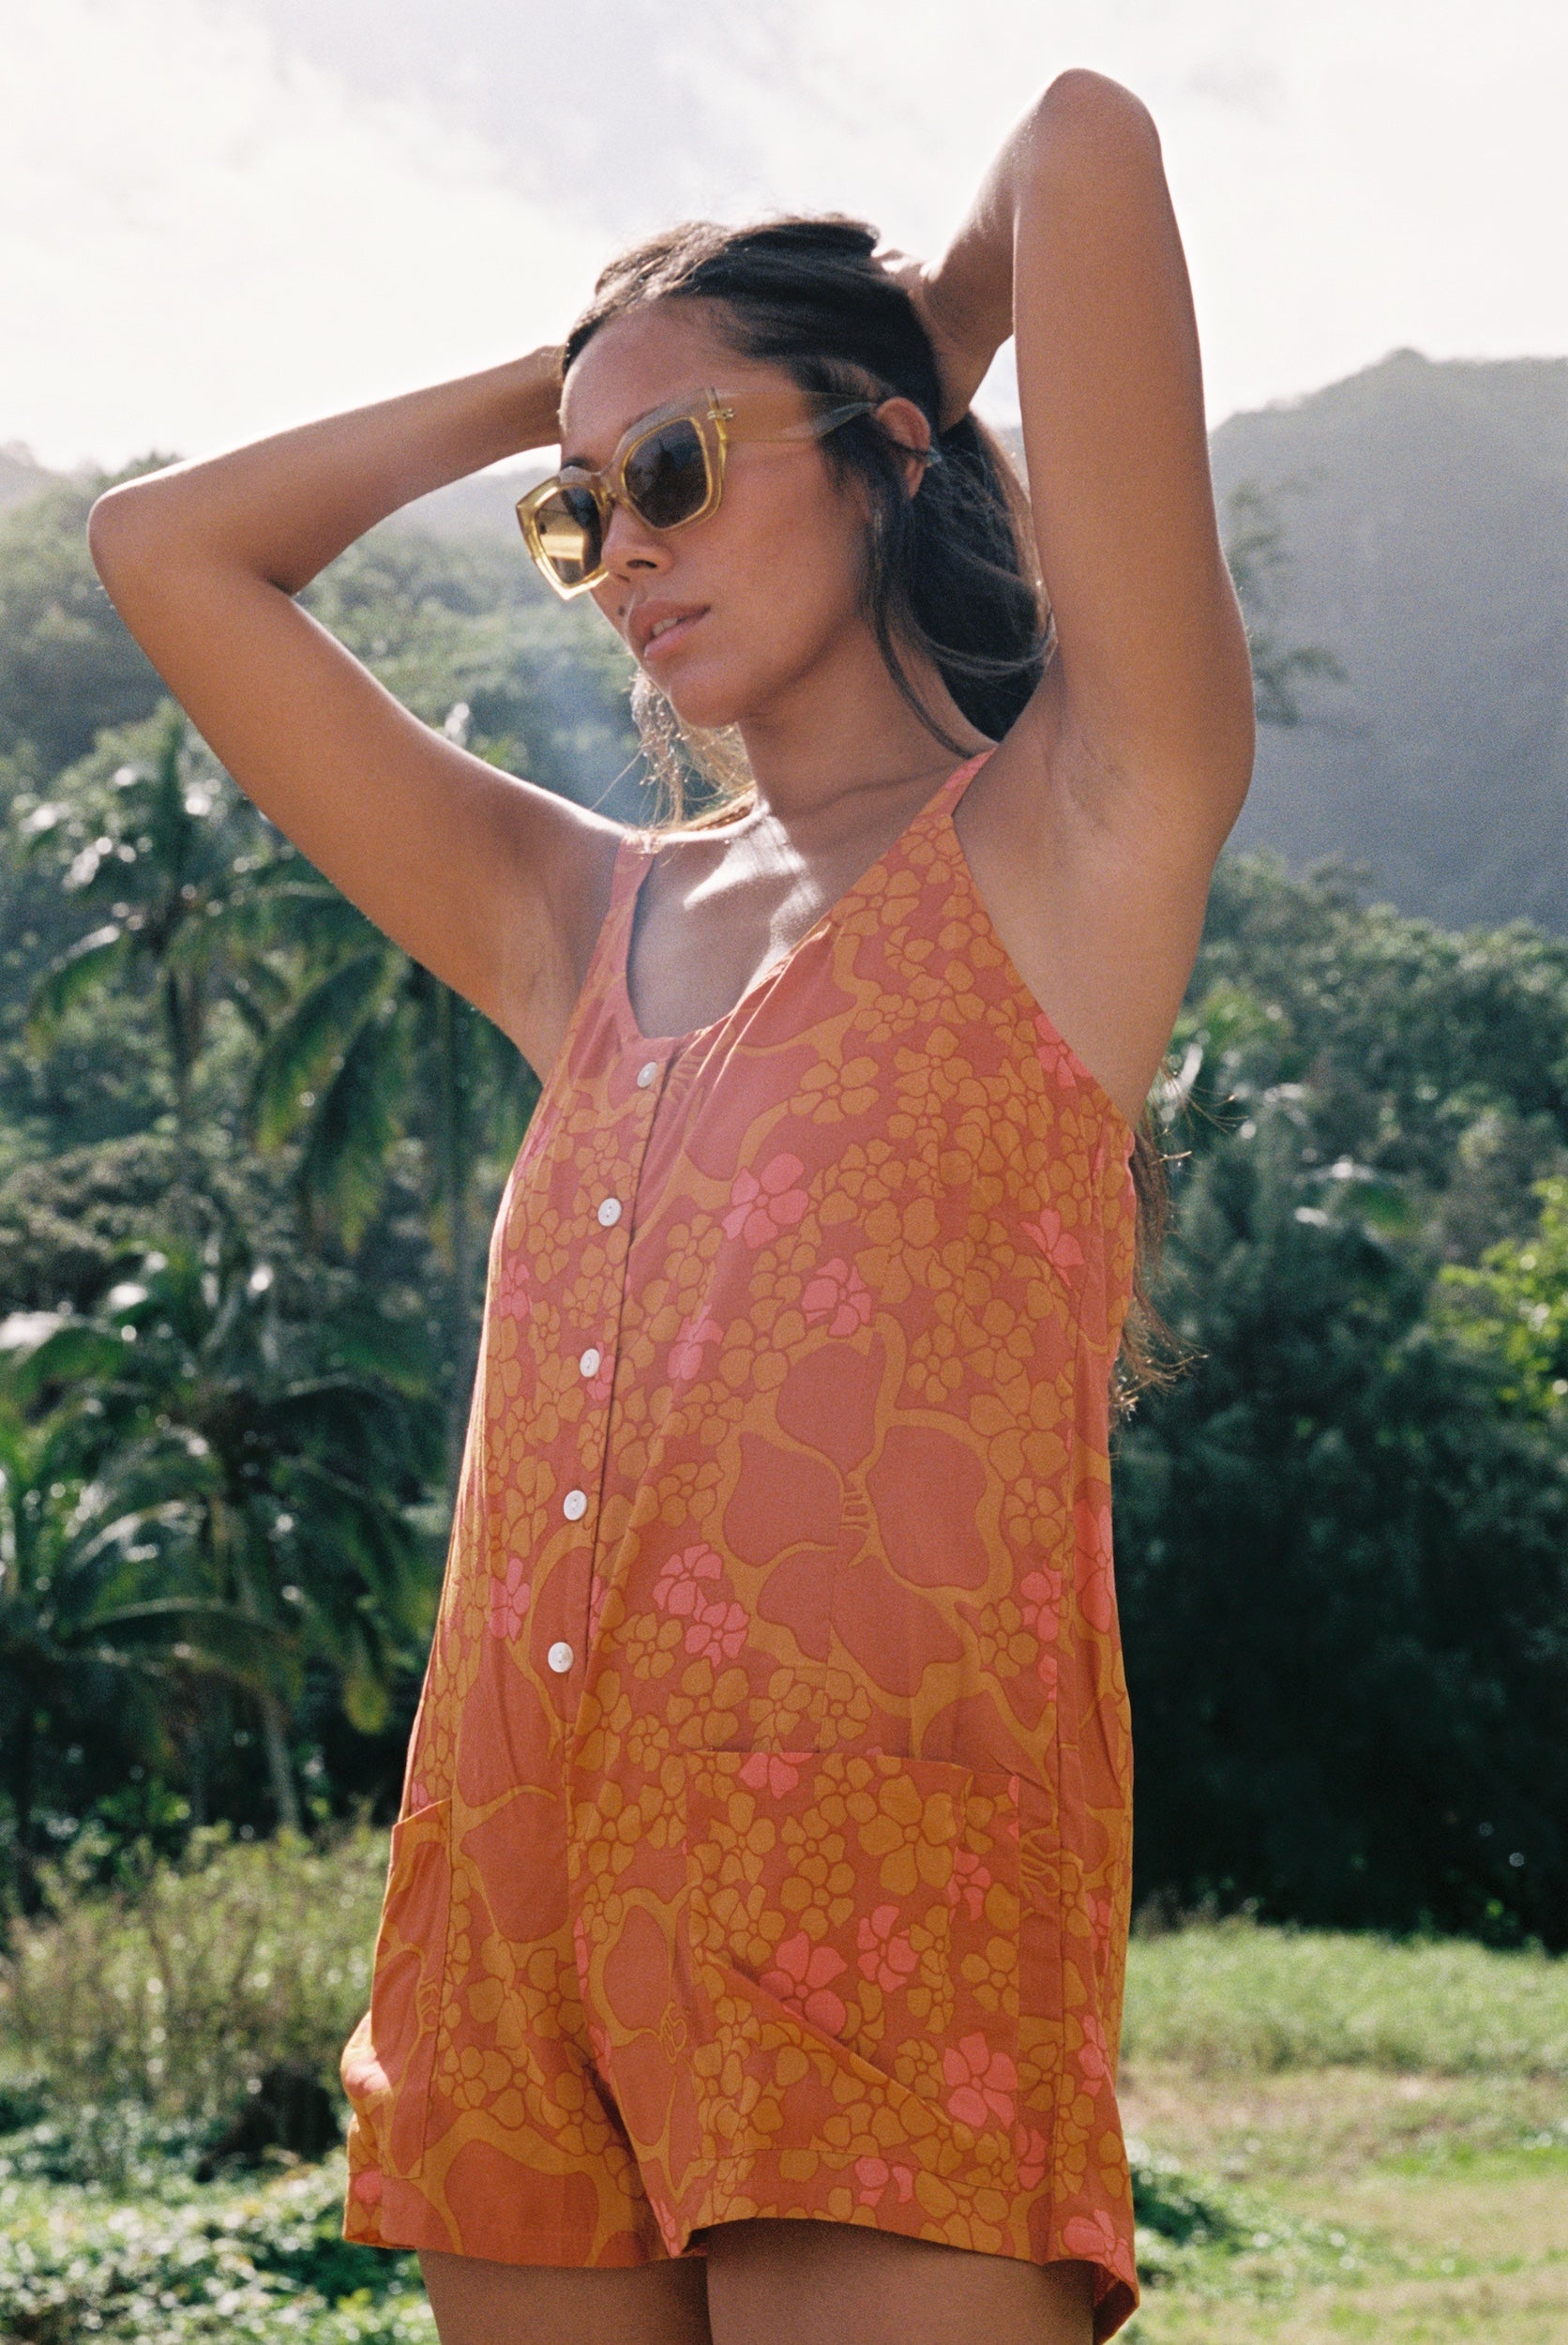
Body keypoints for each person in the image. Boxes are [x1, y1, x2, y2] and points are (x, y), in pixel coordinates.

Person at [88, 67, 1253, 2345]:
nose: (621, 547)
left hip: (876, 1895)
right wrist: (583, 379)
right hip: (513, 1905)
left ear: (891, 449)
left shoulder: (1080, 833)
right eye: (576, 509)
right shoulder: (575, 916)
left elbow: (1081, 136)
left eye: (680, 472)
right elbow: (166, 550)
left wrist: (924, 328)